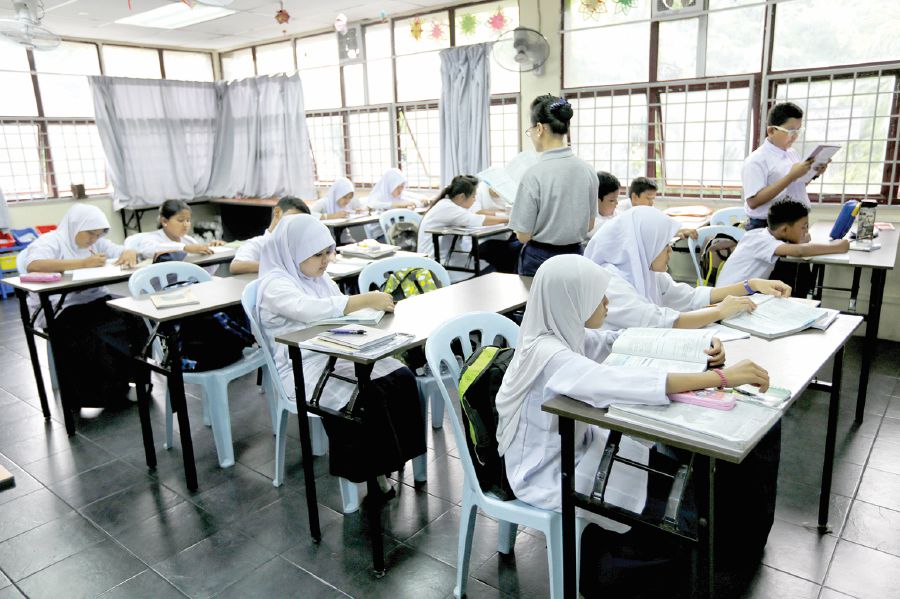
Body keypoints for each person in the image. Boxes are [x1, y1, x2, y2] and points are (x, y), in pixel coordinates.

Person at [255, 214, 425, 490]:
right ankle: (373, 472)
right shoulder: (275, 284)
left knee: (402, 376)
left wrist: (367, 312)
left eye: (328, 252)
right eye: (317, 254)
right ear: (293, 251)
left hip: (339, 352)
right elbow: (308, 309)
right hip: (302, 367)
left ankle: (395, 459)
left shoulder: (318, 278)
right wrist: (364, 300)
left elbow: (339, 309)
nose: (325, 260)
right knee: (365, 396)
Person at [16, 204, 142, 409]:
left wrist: (129, 252)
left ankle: (134, 381)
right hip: (60, 305)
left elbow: (121, 250)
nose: (94, 239)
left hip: (94, 299)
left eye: (98, 234)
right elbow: (34, 265)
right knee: (89, 332)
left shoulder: (97, 243)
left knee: (134, 318)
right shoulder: (51, 241)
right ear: (76, 226)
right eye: (90, 233)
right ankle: (100, 395)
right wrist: (82, 263)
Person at [584, 206, 791, 331]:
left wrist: (751, 285)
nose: (670, 250)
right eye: (664, 245)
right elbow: (656, 320)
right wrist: (719, 311)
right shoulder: (609, 282)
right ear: (643, 246)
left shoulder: (648, 273)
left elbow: (690, 297)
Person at [509, 94, 598, 276]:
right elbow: (589, 225)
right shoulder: (588, 170)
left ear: (539, 128)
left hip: (539, 260)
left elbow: (523, 235)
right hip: (575, 257)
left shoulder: (534, 174)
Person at [717, 199, 850, 287]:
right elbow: (800, 251)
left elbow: (800, 246)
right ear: (784, 230)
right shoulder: (763, 241)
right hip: (728, 298)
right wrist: (838, 247)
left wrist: (800, 240)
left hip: (738, 294)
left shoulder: (761, 234)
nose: (806, 231)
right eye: (803, 227)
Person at [742, 102, 828, 231]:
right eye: (790, 131)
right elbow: (753, 202)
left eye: (798, 130)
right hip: (768, 226)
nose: (795, 136)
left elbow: (795, 186)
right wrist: (790, 177)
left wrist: (814, 173)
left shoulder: (792, 153)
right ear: (771, 131)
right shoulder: (756, 160)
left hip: (796, 221)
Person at [416, 175, 508, 269]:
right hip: (437, 261)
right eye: (473, 196)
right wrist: (508, 219)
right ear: (462, 196)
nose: (475, 200)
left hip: (447, 257)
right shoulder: (448, 207)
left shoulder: (449, 205)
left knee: (490, 262)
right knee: (491, 267)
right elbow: (478, 220)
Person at [229, 196, 310, 275]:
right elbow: (236, 266)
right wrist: (277, 266)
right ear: (277, 213)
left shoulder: (295, 247)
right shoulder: (258, 243)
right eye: (292, 219)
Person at [125, 200, 223, 264]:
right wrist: (184, 248)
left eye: (188, 220)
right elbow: (150, 250)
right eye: (180, 220)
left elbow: (204, 266)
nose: (186, 225)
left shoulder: (188, 240)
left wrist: (212, 248)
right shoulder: (152, 239)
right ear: (164, 221)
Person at [587, 171, 621, 238]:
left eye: (617, 198)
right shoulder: (591, 224)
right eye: (612, 200)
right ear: (596, 201)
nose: (617, 203)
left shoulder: (618, 214)